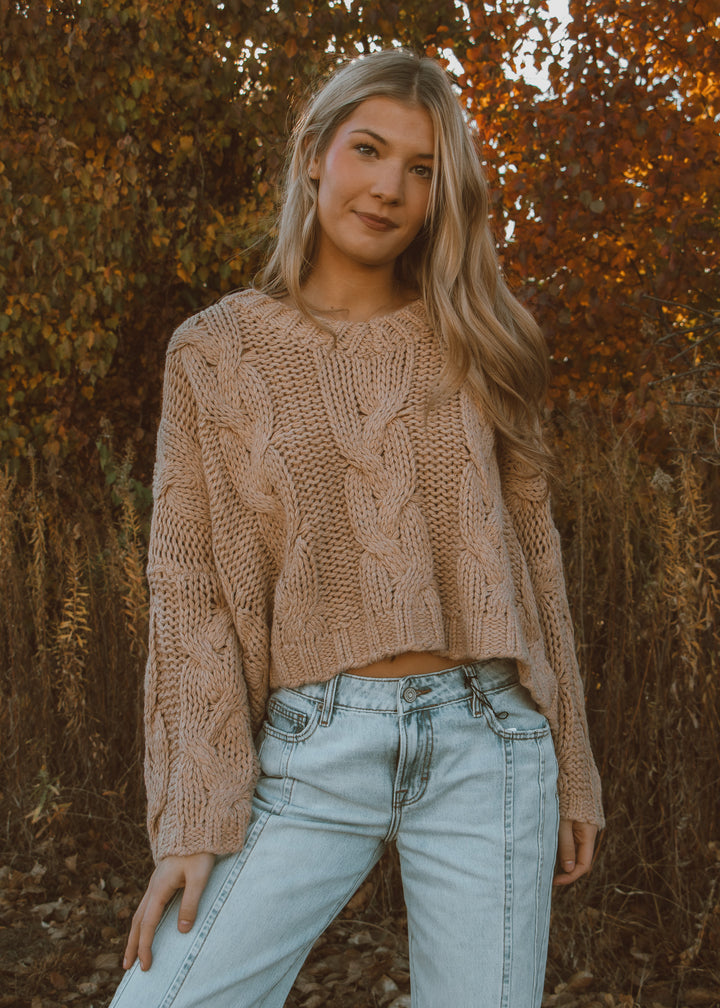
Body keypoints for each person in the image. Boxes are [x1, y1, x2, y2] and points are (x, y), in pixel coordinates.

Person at [108, 48, 604, 1008]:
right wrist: (189, 820)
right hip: (307, 753)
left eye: (422, 170)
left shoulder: (479, 337)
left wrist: (573, 762)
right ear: (312, 155)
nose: (389, 188)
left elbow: (538, 563)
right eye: (369, 150)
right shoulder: (215, 353)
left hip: (488, 741)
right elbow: (192, 589)